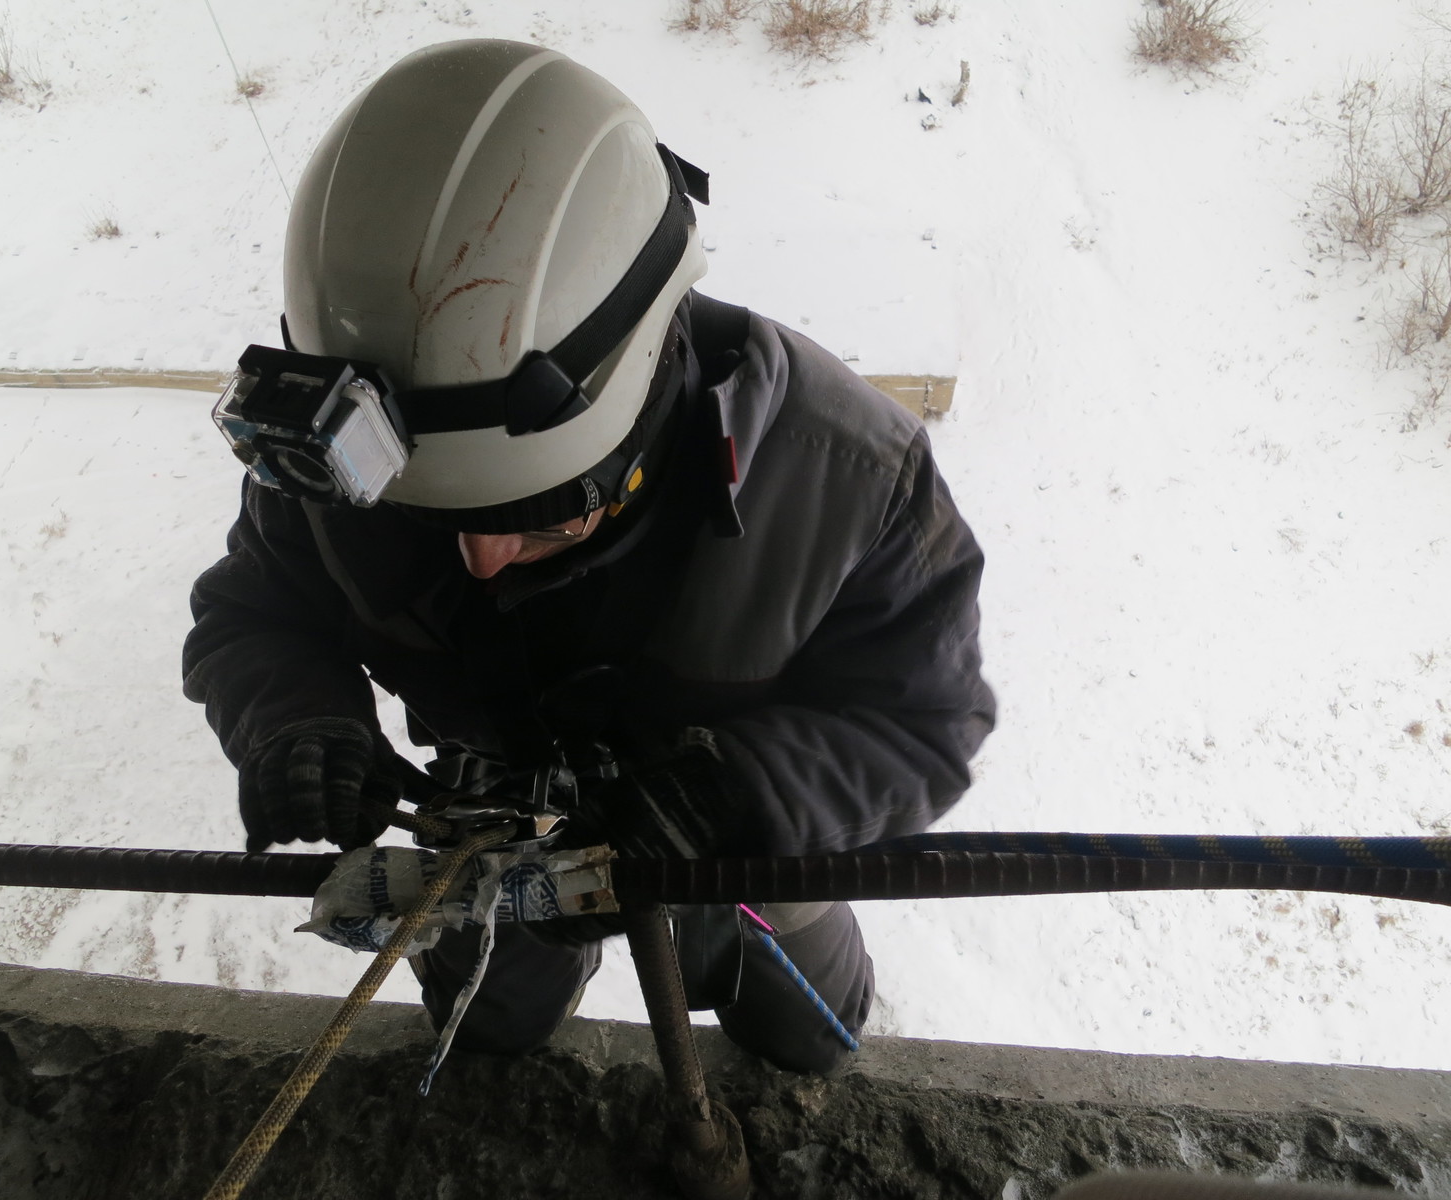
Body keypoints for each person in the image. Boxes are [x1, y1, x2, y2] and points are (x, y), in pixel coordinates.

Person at [182, 39, 995, 1075]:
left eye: (545, 511)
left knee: (807, 1036)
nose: (481, 562)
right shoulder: (342, 458)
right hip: (489, 818)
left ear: (645, 394)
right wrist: (294, 722)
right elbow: (255, 616)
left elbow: (924, 723)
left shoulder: (850, 480)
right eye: (431, 515)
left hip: (738, 836)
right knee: (483, 1027)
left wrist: (741, 797)